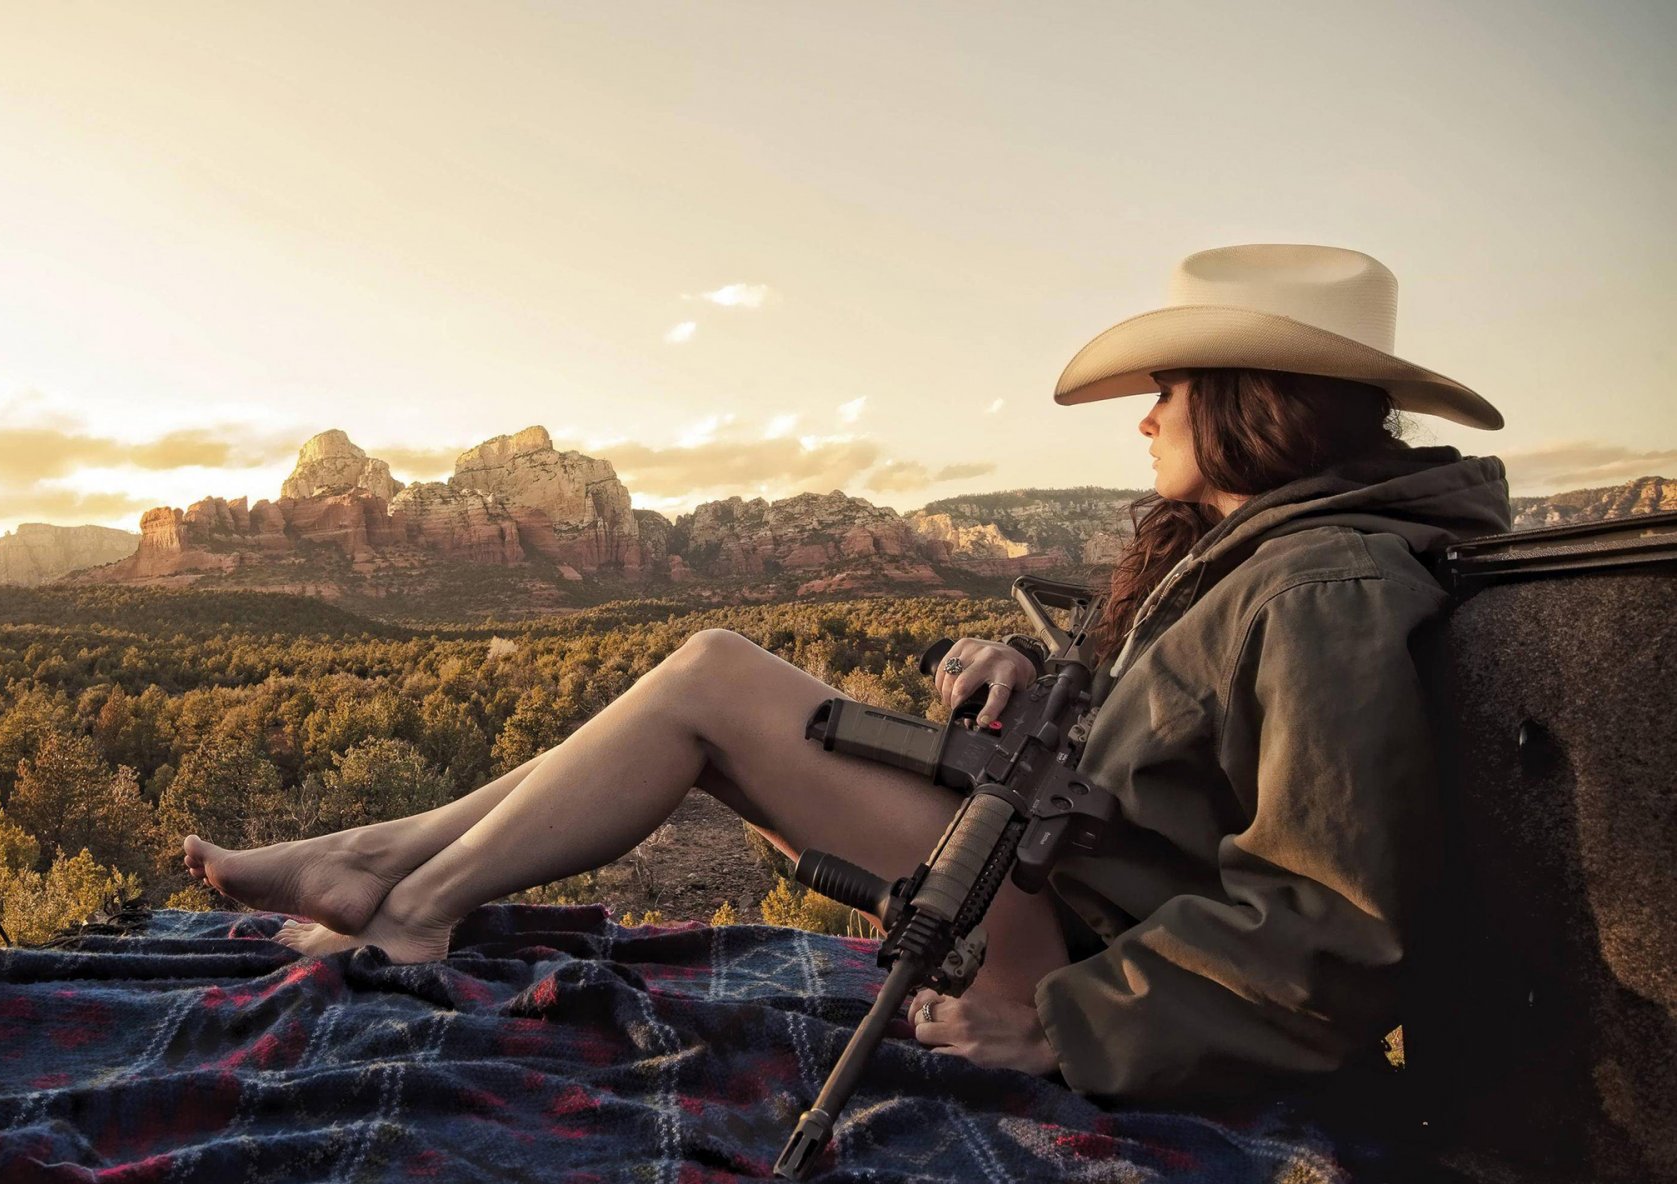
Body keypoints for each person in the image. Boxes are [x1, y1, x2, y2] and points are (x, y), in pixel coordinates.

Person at [182, 243, 1512, 1105]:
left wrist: (1063, 1027)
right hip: (1031, 873)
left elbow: (1331, 921)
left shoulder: (1325, 586)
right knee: (701, 680)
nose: (1151, 416)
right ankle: (381, 860)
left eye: (1170, 389)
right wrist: (1014, 664)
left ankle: (406, 898)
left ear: (1246, 398)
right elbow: (1176, 748)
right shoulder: (1258, 557)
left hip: (1052, 952)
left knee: (709, 674)